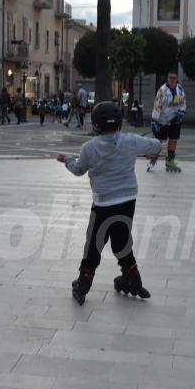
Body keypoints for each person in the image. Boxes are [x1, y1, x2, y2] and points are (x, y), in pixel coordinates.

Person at [56, 101, 161, 305]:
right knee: (121, 240)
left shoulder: (89, 147)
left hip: (103, 204)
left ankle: (83, 284)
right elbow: (156, 145)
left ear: (95, 124)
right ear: (120, 122)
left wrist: (68, 159)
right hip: (128, 200)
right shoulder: (131, 141)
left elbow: (79, 170)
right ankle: (133, 279)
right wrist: (145, 149)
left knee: (95, 243)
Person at [149, 69, 187, 173]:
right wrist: (154, 121)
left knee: (173, 140)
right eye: (170, 78)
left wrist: (181, 113)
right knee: (158, 141)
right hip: (163, 120)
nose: (172, 80)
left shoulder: (180, 89)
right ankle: (153, 159)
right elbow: (157, 105)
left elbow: (183, 103)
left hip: (175, 120)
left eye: (174, 78)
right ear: (167, 78)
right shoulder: (162, 90)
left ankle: (170, 160)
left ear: (177, 79)